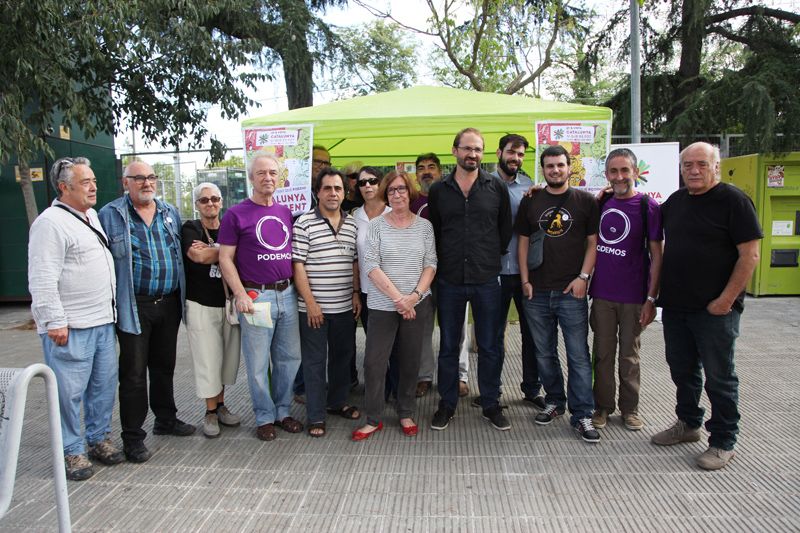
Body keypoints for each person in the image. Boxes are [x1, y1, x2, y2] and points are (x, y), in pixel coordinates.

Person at [651, 142, 762, 470]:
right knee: (682, 370)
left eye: (701, 164)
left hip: (715, 310)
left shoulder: (734, 201)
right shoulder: (676, 201)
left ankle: (724, 440)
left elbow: (750, 255)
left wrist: (726, 300)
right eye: (687, 165)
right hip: (676, 307)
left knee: (719, 376)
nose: (694, 170)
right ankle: (688, 424)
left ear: (717, 166)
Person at [29, 157, 122, 480]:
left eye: (94, 180)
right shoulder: (49, 223)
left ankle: (98, 439)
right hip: (70, 326)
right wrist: (53, 320)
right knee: (68, 394)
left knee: (102, 387)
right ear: (64, 187)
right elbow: (42, 277)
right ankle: (72, 450)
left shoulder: (90, 216)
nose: (93, 186)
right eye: (85, 182)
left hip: (101, 322)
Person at [99, 160, 193, 463]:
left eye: (151, 177)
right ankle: (133, 437)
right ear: (126, 182)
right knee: (134, 374)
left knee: (164, 367)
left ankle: (166, 419)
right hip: (133, 304)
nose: (146, 183)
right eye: (138, 178)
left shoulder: (169, 212)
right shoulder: (111, 215)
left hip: (168, 302)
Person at [428, 127, 512, 431]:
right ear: (455, 151)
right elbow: (434, 232)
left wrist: (488, 257)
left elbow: (505, 229)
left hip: (487, 278)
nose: (472, 154)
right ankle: (447, 403)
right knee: (449, 344)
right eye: (467, 148)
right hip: (449, 279)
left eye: (478, 149)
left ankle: (491, 403)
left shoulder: (496, 187)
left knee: (490, 345)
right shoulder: (439, 190)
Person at [515, 145, 600, 443]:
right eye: (549, 166)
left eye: (560, 165)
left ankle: (583, 414)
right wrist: (524, 280)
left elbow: (593, 243)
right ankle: (554, 401)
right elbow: (522, 243)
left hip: (571, 291)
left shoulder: (586, 201)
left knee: (578, 355)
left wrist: (583, 277)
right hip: (537, 291)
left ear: (569, 166)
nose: (555, 170)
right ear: (543, 169)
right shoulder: (532, 200)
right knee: (544, 352)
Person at [217, 154, 303, 442]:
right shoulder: (235, 215)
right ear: (251, 178)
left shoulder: (285, 212)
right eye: (261, 173)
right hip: (256, 297)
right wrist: (240, 294)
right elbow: (225, 259)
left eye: (272, 173)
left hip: (287, 294)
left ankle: (283, 411)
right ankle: (264, 416)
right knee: (256, 364)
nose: (267, 178)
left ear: (279, 178)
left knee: (289, 358)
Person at [352, 171, 437, 440]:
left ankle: (406, 411)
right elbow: (371, 265)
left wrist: (414, 296)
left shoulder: (424, 226)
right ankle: (373, 417)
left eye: (401, 189)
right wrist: (399, 299)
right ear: (385, 194)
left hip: (417, 303)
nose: (397, 194)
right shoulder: (376, 226)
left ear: (410, 192)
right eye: (391, 191)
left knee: (409, 361)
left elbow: (431, 264)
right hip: (382, 305)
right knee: (374, 363)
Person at [589, 148, 663, 432]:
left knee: (629, 356)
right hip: (603, 294)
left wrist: (651, 298)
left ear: (635, 172)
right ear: (607, 174)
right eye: (613, 171)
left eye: (625, 171)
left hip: (634, 297)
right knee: (603, 353)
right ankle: (603, 406)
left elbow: (657, 255)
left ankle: (630, 409)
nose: (619, 177)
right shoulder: (602, 202)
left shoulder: (648, 206)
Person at [292, 169, 362, 438]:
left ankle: (337, 402)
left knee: (342, 358)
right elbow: (297, 264)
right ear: (317, 192)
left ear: (345, 193)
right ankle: (316, 415)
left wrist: (355, 294)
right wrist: (310, 302)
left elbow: (355, 261)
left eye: (338, 189)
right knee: (314, 362)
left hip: (344, 306)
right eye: (327, 189)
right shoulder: (304, 223)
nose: (333, 193)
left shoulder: (353, 224)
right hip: (314, 309)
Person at [483, 134, 544, 409]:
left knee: (532, 333)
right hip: (493, 273)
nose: (516, 159)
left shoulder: (530, 186)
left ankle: (532, 389)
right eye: (511, 152)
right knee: (492, 336)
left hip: (524, 274)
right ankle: (491, 393)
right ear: (499, 153)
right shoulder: (483, 184)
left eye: (520, 154)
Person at [181, 182, 242, 438]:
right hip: (200, 304)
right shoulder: (190, 228)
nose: (211, 204)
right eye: (204, 200)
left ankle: (220, 405)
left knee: (227, 358)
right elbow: (198, 258)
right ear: (197, 204)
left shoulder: (228, 225)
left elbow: (213, 255)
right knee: (208, 359)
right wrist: (226, 252)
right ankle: (209, 412)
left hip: (228, 304)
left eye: (215, 199)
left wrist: (213, 251)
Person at [410, 153, 470, 399]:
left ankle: (460, 375)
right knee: (422, 328)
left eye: (431, 167)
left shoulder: (453, 195)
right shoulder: (411, 201)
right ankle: (424, 376)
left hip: (452, 273)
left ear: (440, 171)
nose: (426, 172)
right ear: (416, 175)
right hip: (419, 276)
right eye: (421, 168)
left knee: (457, 329)